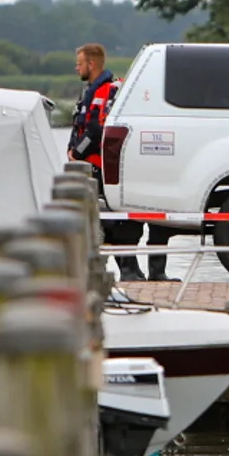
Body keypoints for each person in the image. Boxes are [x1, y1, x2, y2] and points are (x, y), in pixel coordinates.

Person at [69, 44, 171, 281]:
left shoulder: (105, 91)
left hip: (98, 167)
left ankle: (133, 271)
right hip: (91, 165)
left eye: (80, 63)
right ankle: (132, 270)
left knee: (114, 221)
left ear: (91, 64)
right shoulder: (91, 91)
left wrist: (77, 152)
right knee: (109, 221)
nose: (77, 67)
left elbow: (96, 130)